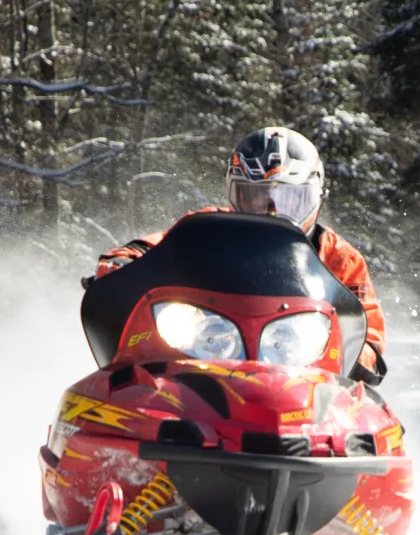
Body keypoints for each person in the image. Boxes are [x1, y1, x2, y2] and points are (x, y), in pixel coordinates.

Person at [92, 126, 388, 385]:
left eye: (290, 199)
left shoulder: (340, 258)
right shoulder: (209, 227)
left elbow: (368, 333)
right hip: (207, 349)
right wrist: (125, 259)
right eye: (257, 197)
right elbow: (161, 245)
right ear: (235, 195)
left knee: (358, 404)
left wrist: (354, 352)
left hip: (300, 369)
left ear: (315, 195)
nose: (272, 211)